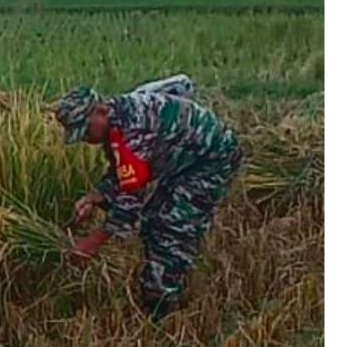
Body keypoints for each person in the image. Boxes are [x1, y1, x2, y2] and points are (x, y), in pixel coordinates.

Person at [54, 82, 242, 317]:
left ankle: (163, 308)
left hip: (211, 161)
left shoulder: (134, 130)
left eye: (86, 131)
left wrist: (93, 242)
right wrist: (96, 196)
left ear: (101, 111)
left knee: (170, 229)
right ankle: (168, 284)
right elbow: (123, 171)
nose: (87, 139)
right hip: (184, 162)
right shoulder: (116, 123)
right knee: (152, 223)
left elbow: (130, 201)